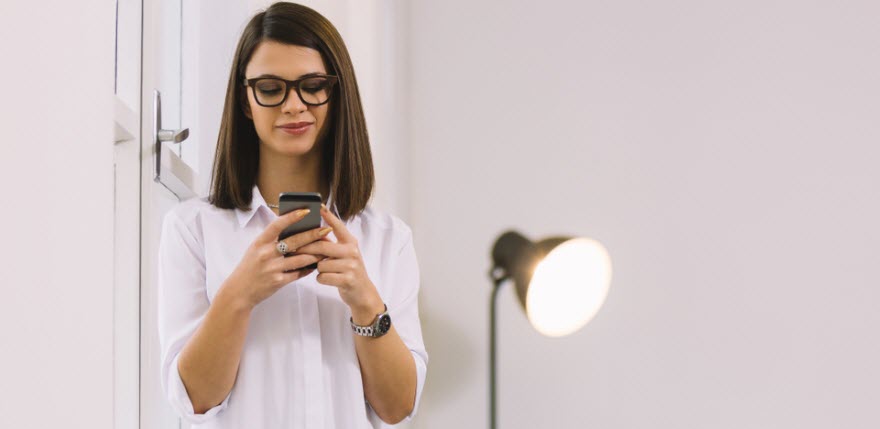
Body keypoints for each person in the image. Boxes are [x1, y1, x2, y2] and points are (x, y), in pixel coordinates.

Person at [156, 2, 428, 428]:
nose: (294, 105)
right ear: (246, 101)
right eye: (270, 88)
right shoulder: (193, 230)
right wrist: (239, 294)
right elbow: (194, 399)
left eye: (313, 85)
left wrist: (365, 301)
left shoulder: (388, 239)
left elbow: (398, 408)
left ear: (336, 94)